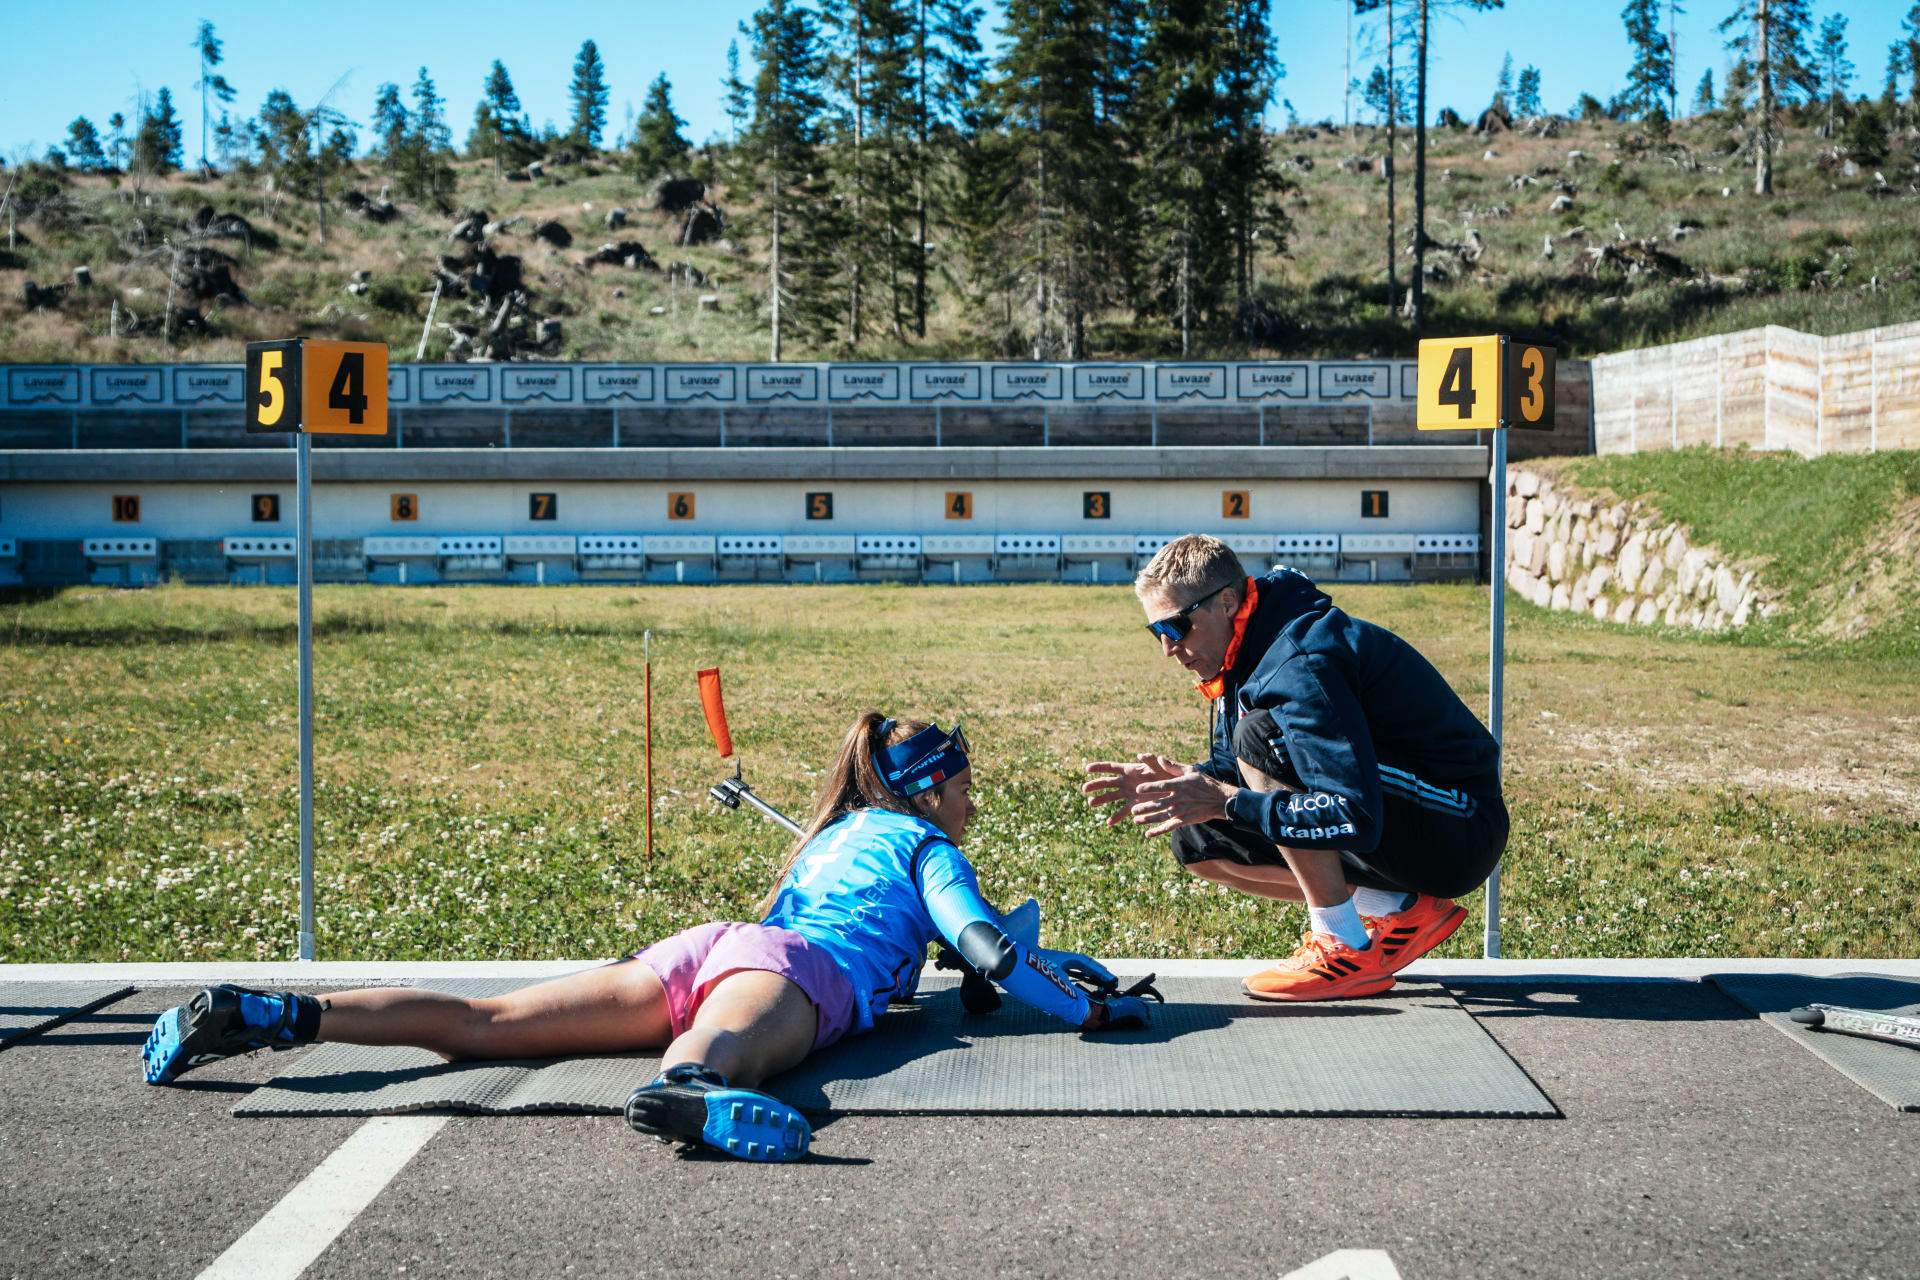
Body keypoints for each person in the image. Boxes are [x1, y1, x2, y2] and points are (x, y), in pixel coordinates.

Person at [144, 712, 1150, 1162]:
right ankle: (694, 1093)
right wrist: (1090, 1007)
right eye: (966, 780)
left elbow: (957, 971)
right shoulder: (928, 841)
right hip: (793, 970)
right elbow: (989, 955)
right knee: (708, 1063)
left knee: (482, 1023)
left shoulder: (842, 831)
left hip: (713, 945)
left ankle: (275, 1011)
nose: (974, 799)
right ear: (933, 783)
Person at [1084, 534, 1507, 1002]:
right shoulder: (1244, 652)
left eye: (1176, 627)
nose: (1168, 648)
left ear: (1226, 603)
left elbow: (1354, 814)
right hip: (1403, 824)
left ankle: (1343, 946)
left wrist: (1225, 799)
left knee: (1260, 738)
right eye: (1156, 632)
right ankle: (1398, 907)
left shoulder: (1299, 660)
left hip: (1460, 828)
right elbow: (1235, 771)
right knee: (1198, 837)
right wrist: (1189, 783)